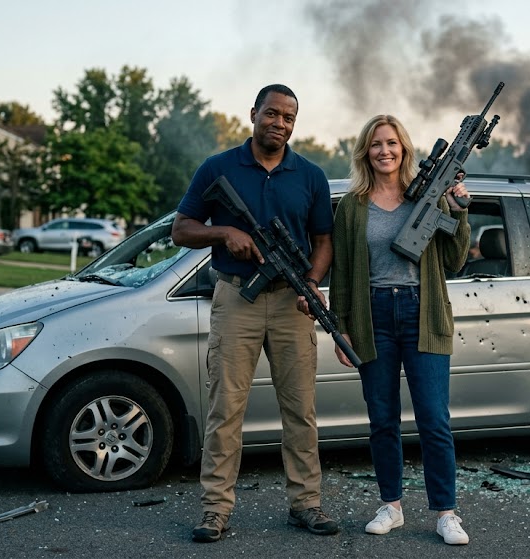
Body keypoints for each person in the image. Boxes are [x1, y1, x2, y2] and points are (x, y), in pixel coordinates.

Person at [171, 84, 340, 543]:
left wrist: (312, 282)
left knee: (300, 409)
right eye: (272, 114)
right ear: (253, 114)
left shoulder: (310, 175)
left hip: (292, 302)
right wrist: (224, 232)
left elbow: (323, 240)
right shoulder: (218, 168)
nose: (279, 123)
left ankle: (306, 503)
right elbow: (181, 229)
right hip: (236, 298)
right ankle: (214, 510)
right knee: (226, 408)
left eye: (288, 117)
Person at [328, 115, 472, 545]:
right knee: (382, 419)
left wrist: (459, 211)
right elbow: (341, 272)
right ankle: (391, 505)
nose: (384, 150)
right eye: (376, 144)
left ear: (404, 149)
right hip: (372, 317)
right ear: (365, 151)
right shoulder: (353, 206)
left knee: (434, 419)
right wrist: (342, 329)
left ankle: (446, 512)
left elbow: (455, 260)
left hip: (421, 312)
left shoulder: (427, 195)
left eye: (391, 142)